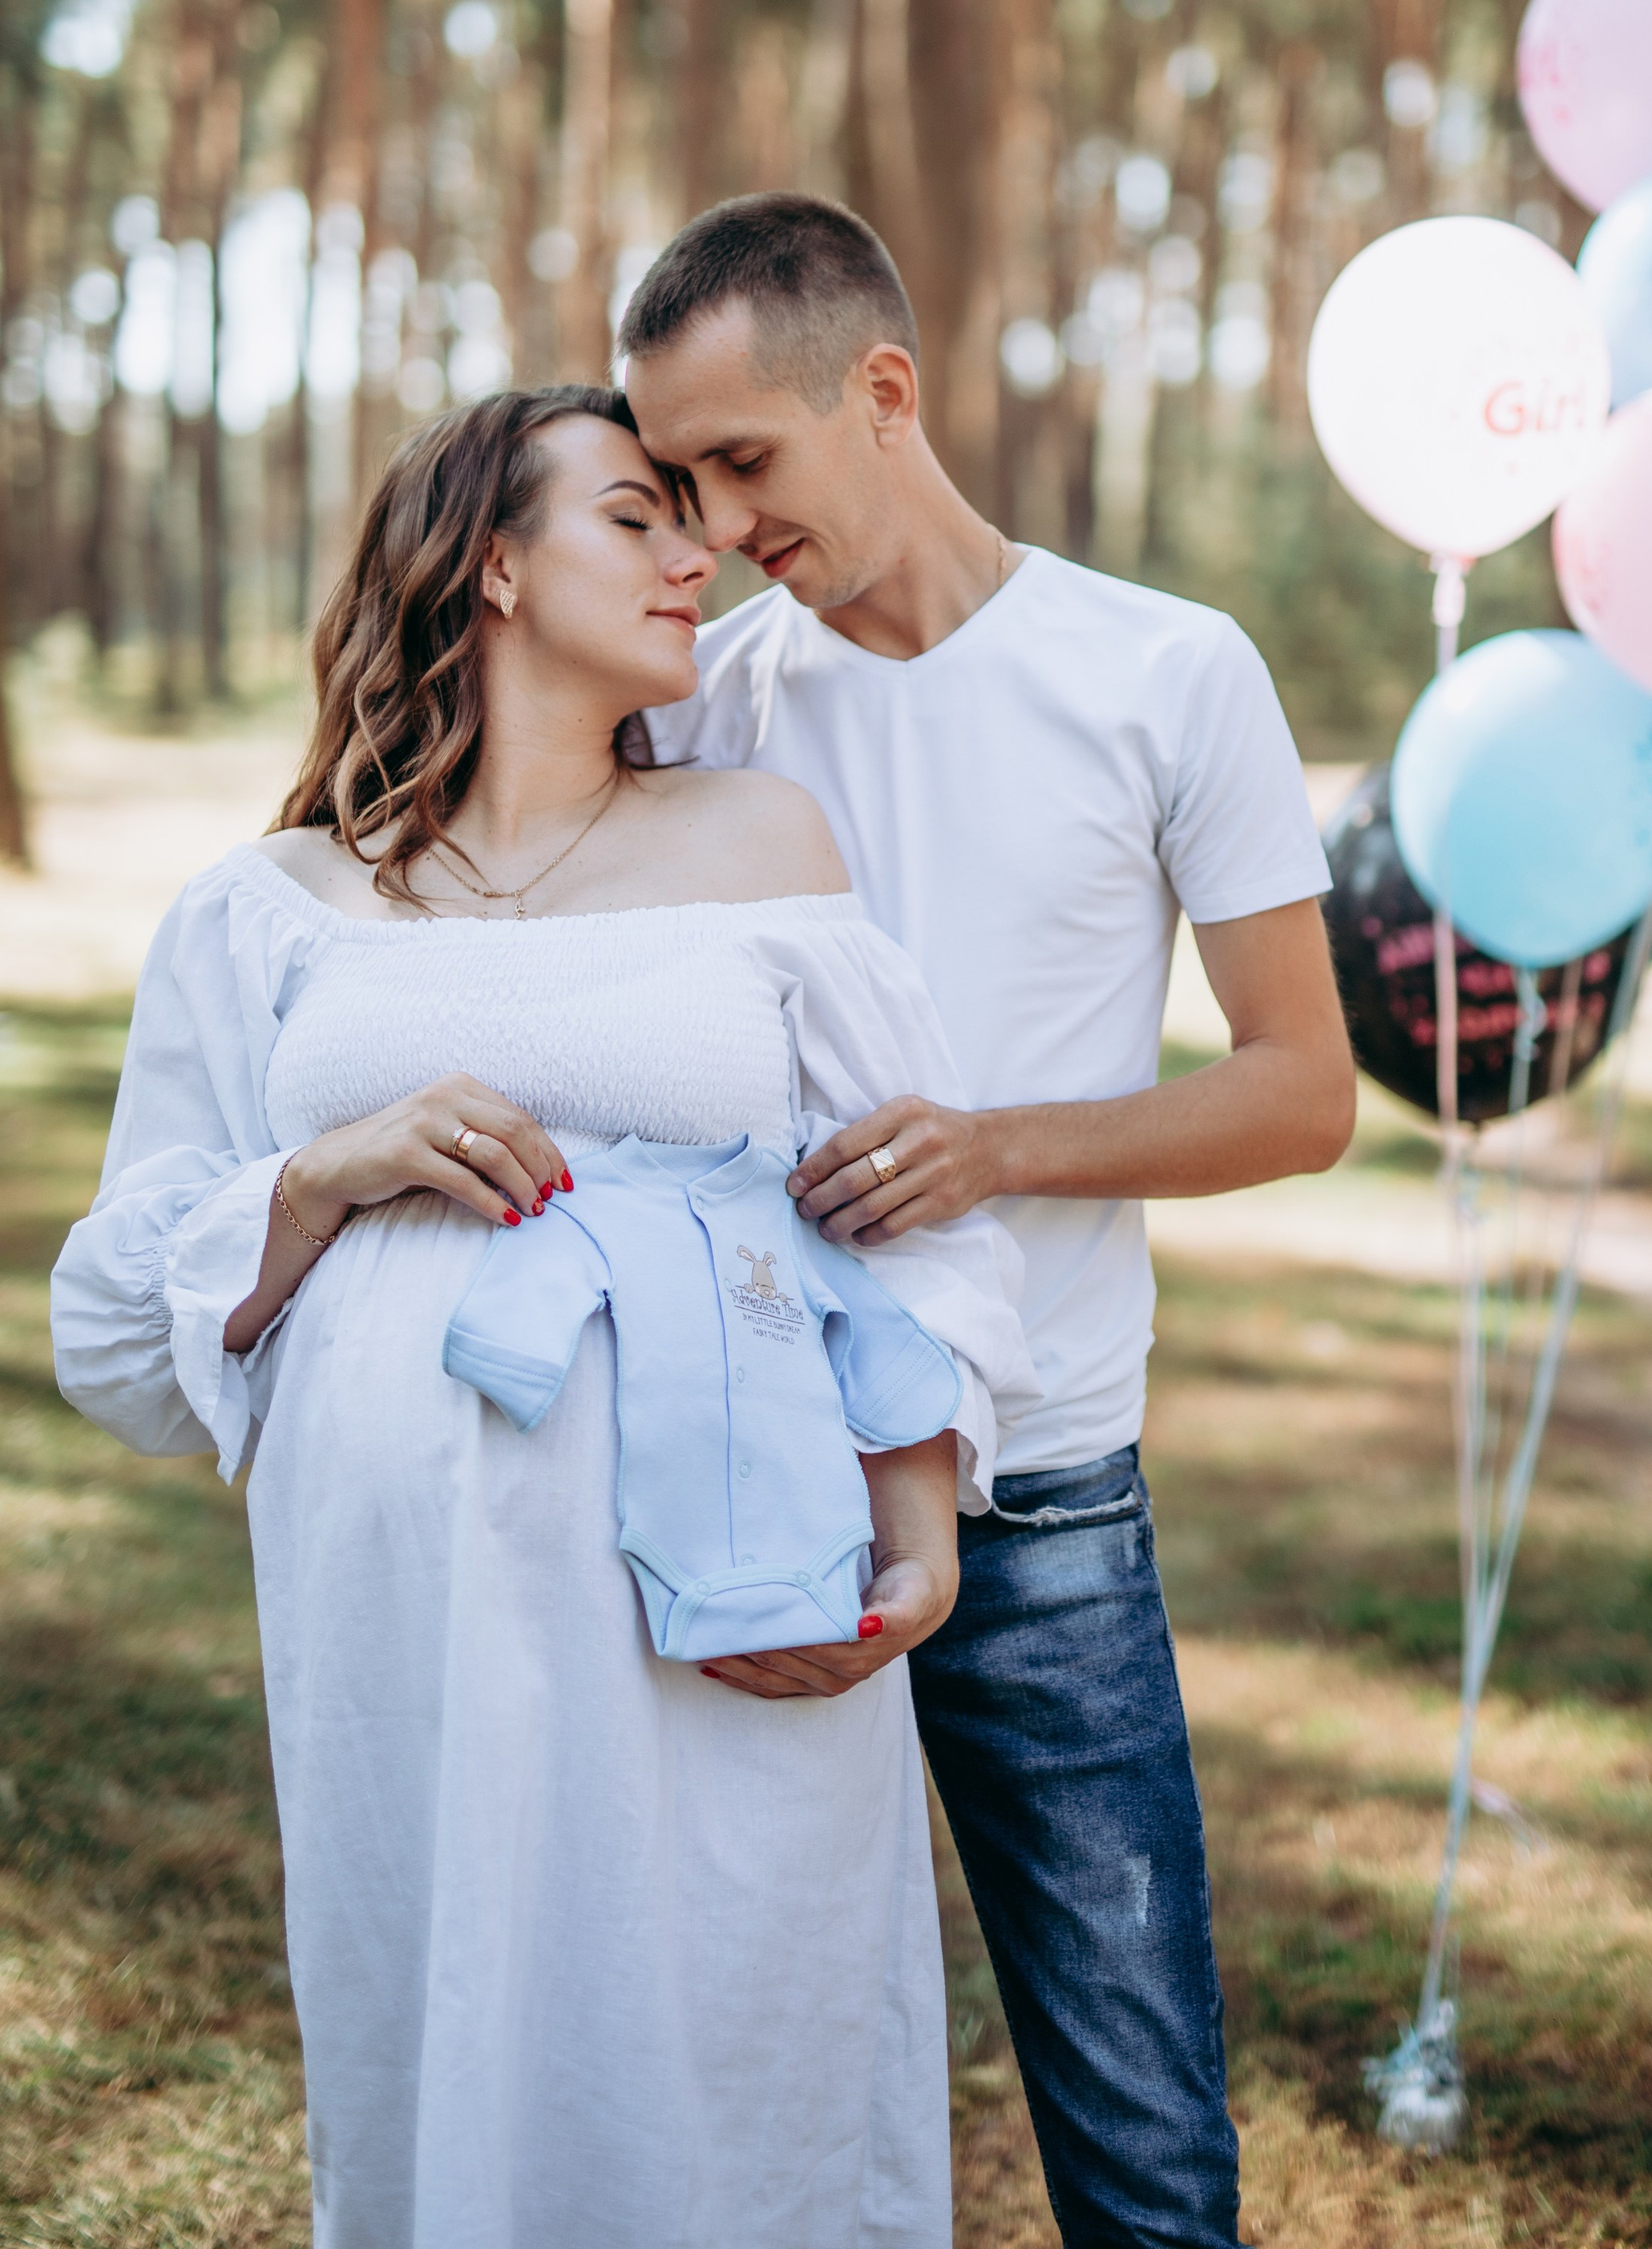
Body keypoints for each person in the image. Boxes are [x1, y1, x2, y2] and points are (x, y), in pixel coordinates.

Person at [49, 385, 1037, 2249]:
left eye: (696, 518)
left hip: (732, 1573)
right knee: (454, 2013)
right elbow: (116, 1326)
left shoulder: (761, 844)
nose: (699, 555)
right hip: (399, 1612)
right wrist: (326, 1170)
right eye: (634, 517)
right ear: (491, 565)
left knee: (738, 2006)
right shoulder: (274, 908)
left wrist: (920, 1508)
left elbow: (893, 1204)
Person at [620, 196, 1358, 2248]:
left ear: (883, 391)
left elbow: (1302, 1091)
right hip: (734, 1492)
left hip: (1044, 1515)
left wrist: (996, 1150)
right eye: (671, 482)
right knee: (725, 2103)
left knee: (1137, 2134)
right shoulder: (698, 708)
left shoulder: (1164, 672)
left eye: (739, 464)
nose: (712, 525)